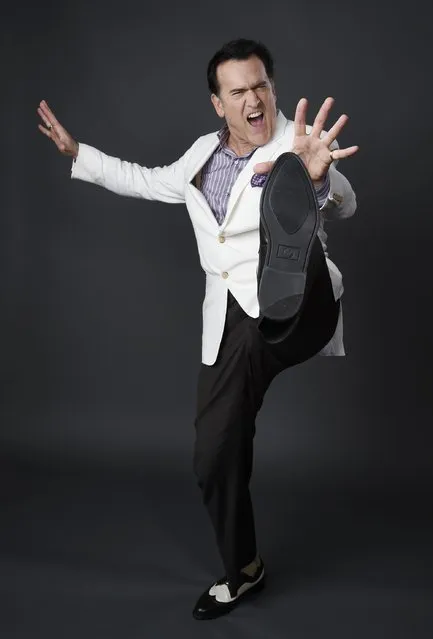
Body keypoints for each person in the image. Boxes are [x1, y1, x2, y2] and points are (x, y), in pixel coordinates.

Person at [37, 38, 358, 620]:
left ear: (272, 89)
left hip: (296, 305)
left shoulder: (296, 140)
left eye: (261, 86)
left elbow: (349, 203)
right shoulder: (202, 154)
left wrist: (315, 179)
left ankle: (291, 247)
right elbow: (149, 180)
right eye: (239, 92)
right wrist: (77, 152)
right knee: (214, 454)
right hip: (230, 320)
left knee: (298, 258)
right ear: (219, 104)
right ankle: (246, 569)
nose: (254, 99)